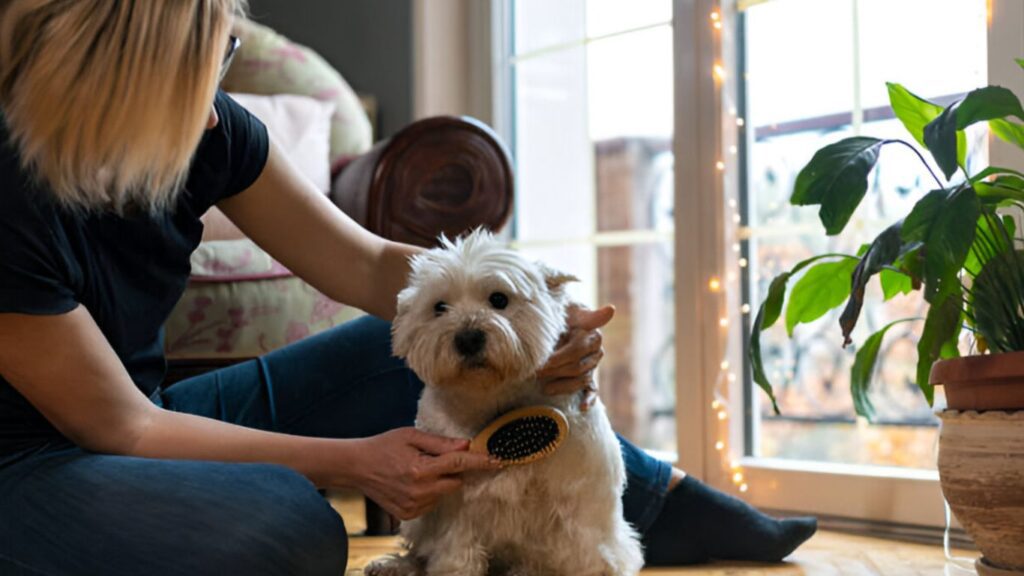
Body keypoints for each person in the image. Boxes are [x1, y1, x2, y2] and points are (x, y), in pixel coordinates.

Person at [0, 2, 816, 574]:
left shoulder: (209, 134)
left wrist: (534, 317)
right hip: (34, 462)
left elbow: (366, 267)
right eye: (201, 75)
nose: (218, 109)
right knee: (285, 534)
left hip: (147, 418)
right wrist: (356, 463)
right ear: (119, 80)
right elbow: (120, 426)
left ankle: (659, 499)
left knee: (422, 343)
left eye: (226, 66)